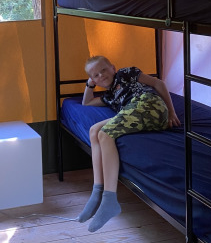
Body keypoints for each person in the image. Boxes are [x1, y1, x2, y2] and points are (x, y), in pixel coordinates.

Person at [77, 55, 180, 232]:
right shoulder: (108, 97)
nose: (101, 75)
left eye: (103, 70)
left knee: (106, 134)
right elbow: (86, 102)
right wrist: (90, 83)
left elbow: (158, 84)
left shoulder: (126, 74)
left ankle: (109, 200)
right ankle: (97, 191)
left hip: (149, 105)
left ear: (113, 68)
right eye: (96, 75)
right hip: (132, 111)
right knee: (94, 131)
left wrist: (172, 112)